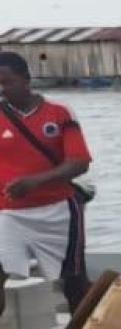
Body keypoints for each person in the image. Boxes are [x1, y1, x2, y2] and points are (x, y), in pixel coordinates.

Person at [0, 51, 93, 309]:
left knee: (73, 281)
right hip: (8, 213)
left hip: (58, 210)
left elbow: (80, 162)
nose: (2, 89)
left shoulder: (59, 113)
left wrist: (35, 182)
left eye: (7, 82)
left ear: (27, 80)